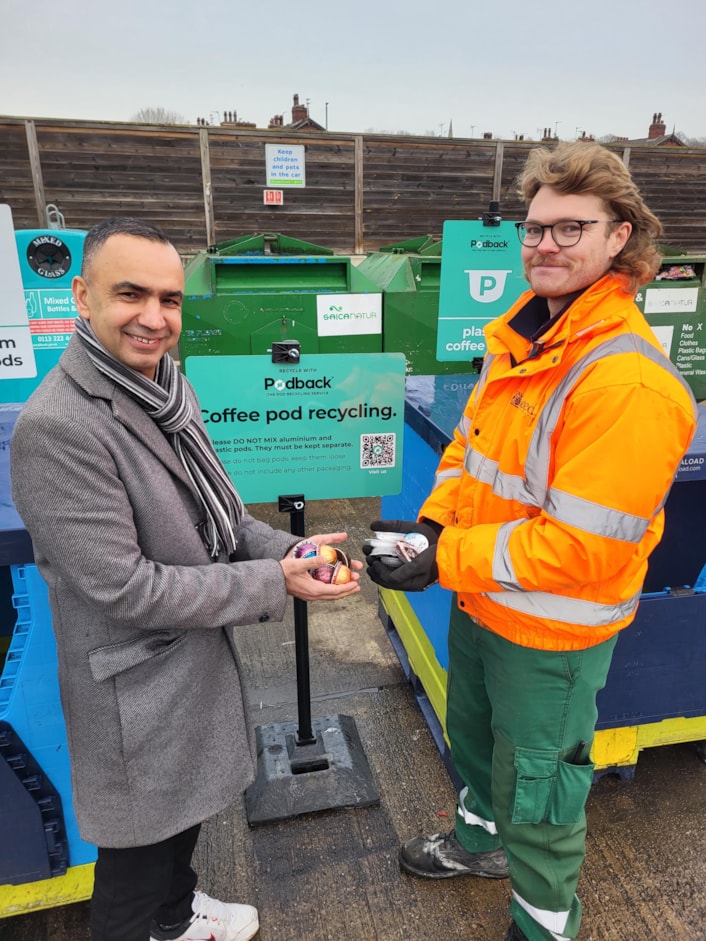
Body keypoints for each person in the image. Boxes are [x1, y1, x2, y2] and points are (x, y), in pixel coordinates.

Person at [365, 141, 698, 941]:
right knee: (475, 743)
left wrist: (444, 560)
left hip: (551, 632)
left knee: (541, 790)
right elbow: (466, 453)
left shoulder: (627, 382)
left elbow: (584, 550)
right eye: (534, 228)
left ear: (620, 237)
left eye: (569, 228)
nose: (543, 244)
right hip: (483, 605)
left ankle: (545, 923)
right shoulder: (521, 343)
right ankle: (479, 844)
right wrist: (434, 524)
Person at [10, 217, 362, 941]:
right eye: (130, 294)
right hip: (132, 684)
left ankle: (177, 917)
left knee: (183, 819)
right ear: (81, 295)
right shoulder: (60, 426)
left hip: (188, 661)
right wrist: (275, 583)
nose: (153, 317)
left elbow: (220, 520)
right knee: (135, 861)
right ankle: (150, 920)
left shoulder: (168, 385)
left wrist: (290, 554)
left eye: (169, 299)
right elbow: (125, 588)